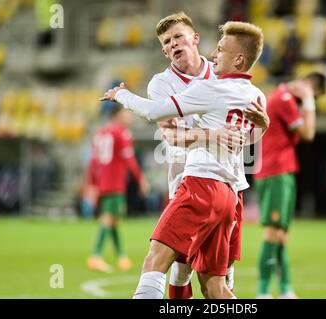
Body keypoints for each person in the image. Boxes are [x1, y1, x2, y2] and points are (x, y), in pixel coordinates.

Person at [101, 20, 266, 299]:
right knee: (198, 278)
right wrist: (211, 134)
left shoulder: (216, 79)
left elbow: (246, 136)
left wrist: (121, 95)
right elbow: (171, 136)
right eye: (166, 42)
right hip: (195, 183)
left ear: (195, 38)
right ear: (165, 52)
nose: (172, 44)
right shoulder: (162, 83)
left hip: (214, 185)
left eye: (178, 36)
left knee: (172, 266)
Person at [253, 72, 326, 299]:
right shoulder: (284, 99)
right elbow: (308, 133)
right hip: (275, 171)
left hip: (281, 170)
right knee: (273, 232)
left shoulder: (281, 96)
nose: (310, 101)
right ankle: (264, 292)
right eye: (315, 95)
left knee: (281, 235)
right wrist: (309, 101)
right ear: (310, 87)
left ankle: (285, 289)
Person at [86, 105, 150, 273]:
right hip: (115, 181)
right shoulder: (122, 132)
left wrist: (92, 183)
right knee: (109, 218)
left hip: (102, 181)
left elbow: (93, 161)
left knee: (113, 219)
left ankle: (121, 256)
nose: (129, 117)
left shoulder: (100, 133)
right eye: (126, 113)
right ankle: (96, 256)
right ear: (117, 115)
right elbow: (129, 159)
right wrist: (141, 179)